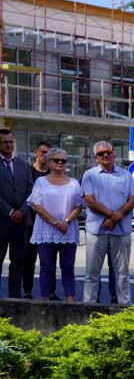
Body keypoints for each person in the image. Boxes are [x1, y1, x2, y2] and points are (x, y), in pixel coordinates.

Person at [81, 141, 134, 305]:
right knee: (92, 273)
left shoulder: (126, 175)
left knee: (122, 274)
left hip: (121, 231)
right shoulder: (89, 175)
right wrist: (112, 214)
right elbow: (89, 201)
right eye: (101, 153)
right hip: (96, 231)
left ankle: (124, 307)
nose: (105, 155)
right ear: (96, 157)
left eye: (108, 152)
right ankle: (89, 306)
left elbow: (132, 201)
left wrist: (114, 218)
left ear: (114, 153)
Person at [28, 147, 83, 301]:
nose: (60, 163)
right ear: (49, 162)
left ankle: (70, 301)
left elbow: (79, 205)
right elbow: (36, 205)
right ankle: (46, 301)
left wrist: (66, 221)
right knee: (46, 267)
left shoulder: (74, 183)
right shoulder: (41, 182)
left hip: (68, 230)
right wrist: (54, 222)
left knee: (68, 267)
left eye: (63, 161)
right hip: (46, 229)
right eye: (56, 160)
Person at [0, 128, 34, 298]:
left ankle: (15, 297)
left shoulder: (23, 165)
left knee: (19, 261)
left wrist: (22, 211)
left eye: (10, 142)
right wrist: (10, 211)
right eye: (4, 142)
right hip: (1, 221)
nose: (8, 145)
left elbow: (31, 191)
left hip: (21, 222)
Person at [22, 140, 51, 298]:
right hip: (31, 222)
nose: (46, 155)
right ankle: (27, 291)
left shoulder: (52, 173)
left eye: (48, 153)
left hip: (49, 222)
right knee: (29, 259)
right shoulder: (28, 171)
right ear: (36, 153)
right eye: (43, 152)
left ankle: (50, 292)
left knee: (49, 260)